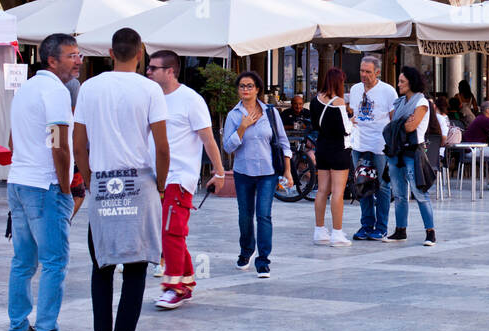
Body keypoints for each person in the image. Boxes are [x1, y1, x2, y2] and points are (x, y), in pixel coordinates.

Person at [72, 28, 169, 331]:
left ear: (110, 53)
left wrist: (88, 180)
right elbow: (162, 147)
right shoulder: (150, 89)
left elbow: (79, 144)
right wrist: (159, 185)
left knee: (102, 263)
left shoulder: (89, 87)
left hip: (103, 181)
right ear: (140, 53)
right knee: (136, 265)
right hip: (138, 183)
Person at [5, 33, 82, 331]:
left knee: (23, 261)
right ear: (52, 60)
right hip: (44, 185)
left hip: (18, 181)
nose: (78, 61)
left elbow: (12, 140)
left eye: (79, 55)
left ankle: (19, 329)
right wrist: (65, 188)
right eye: (71, 56)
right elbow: (60, 144)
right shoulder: (55, 91)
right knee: (54, 261)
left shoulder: (27, 89)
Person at [147, 49, 226, 309]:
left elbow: (208, 138)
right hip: (154, 176)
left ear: (170, 71)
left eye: (153, 68)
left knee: (171, 230)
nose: (148, 71)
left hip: (179, 177)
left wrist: (219, 171)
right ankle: (186, 279)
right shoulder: (151, 97)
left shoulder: (190, 100)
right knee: (168, 232)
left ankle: (174, 286)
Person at [224, 70, 293, 272]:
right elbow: (228, 147)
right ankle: (246, 251)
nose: (245, 90)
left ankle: (263, 260)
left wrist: (287, 171)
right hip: (243, 172)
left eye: (249, 86)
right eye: (242, 86)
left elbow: (283, 142)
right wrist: (242, 127)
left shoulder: (270, 113)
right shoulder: (233, 115)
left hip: (267, 172)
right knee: (245, 215)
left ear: (257, 89)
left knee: (263, 215)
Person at [385, 66, 437, 246]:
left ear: (411, 82)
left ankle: (430, 232)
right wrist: (402, 122)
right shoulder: (400, 102)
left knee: (420, 193)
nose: (398, 85)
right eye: (399, 81)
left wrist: (399, 124)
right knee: (399, 194)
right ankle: (400, 230)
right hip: (396, 151)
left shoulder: (421, 102)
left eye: (402, 82)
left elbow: (410, 127)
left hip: (413, 151)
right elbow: (395, 124)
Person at [349, 55, 397, 241]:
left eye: (368, 72)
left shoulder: (388, 91)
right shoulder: (355, 89)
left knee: (383, 186)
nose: (364, 75)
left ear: (377, 72)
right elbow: (355, 113)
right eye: (362, 71)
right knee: (362, 183)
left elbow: (393, 119)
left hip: (380, 144)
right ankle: (366, 224)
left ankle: (381, 226)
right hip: (359, 142)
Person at [309, 67, 353, 248]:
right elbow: (346, 128)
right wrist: (353, 120)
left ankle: (319, 230)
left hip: (322, 147)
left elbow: (314, 124)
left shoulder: (314, 100)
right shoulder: (339, 102)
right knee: (337, 192)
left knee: (321, 191)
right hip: (338, 150)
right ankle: (337, 233)